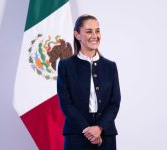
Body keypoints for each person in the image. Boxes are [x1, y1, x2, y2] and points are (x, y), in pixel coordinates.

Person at [57, 14, 121, 150]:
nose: (95, 35)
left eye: (97, 31)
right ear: (77, 35)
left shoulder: (110, 66)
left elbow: (115, 102)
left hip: (106, 136)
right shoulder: (65, 66)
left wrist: (99, 127)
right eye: (89, 31)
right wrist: (86, 128)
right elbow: (65, 103)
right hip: (76, 135)